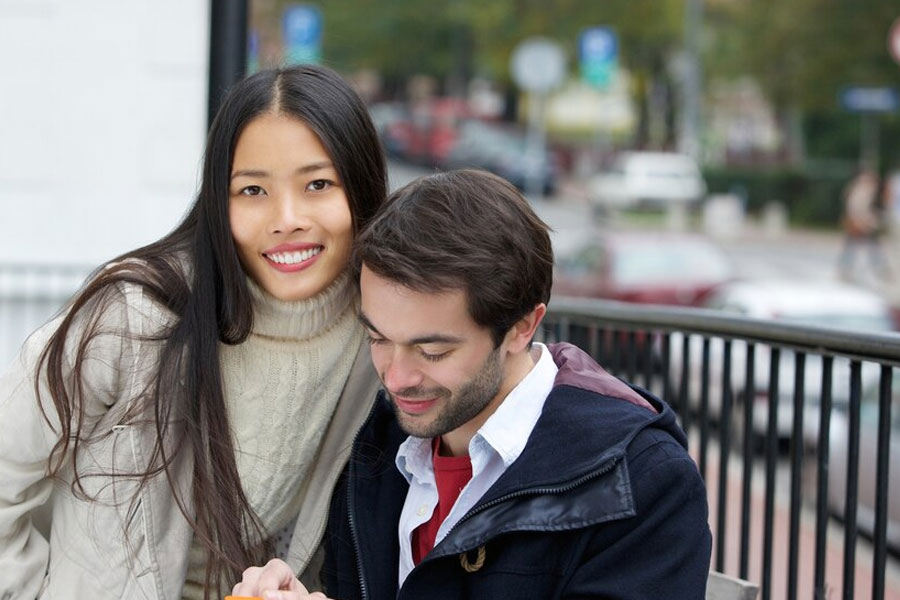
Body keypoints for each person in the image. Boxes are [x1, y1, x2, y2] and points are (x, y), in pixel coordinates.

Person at [0, 64, 387, 599]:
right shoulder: (136, 317)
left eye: (318, 184)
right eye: (252, 190)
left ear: (362, 187)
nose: (287, 218)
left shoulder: (383, 339)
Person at [232, 169, 712, 599]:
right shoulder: (373, 440)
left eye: (433, 351)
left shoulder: (644, 482)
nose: (397, 378)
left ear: (523, 327)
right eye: (377, 338)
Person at [838, 167, 888, 280]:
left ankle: (846, 269)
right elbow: (856, 207)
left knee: (857, 245)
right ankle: (846, 269)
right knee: (860, 245)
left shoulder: (860, 188)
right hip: (860, 221)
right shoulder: (864, 189)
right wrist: (862, 221)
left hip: (862, 221)